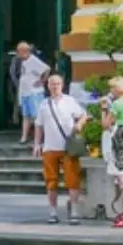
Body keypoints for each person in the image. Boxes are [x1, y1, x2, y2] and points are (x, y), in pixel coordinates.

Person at [33, 73, 88, 226]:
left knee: (72, 180)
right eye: (52, 83)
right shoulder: (44, 104)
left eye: (57, 83)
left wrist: (79, 124)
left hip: (68, 148)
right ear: (48, 86)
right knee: (51, 182)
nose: (55, 86)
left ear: (62, 85)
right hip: (50, 148)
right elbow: (39, 125)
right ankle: (53, 211)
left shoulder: (70, 101)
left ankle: (74, 211)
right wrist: (37, 144)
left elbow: (84, 115)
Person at [101, 102, 123, 229]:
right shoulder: (119, 128)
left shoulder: (118, 130)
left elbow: (105, 124)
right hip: (117, 159)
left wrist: (104, 111)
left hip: (118, 160)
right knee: (122, 186)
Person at [14, 42, 50, 147]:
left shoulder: (33, 60)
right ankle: (24, 137)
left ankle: (38, 139)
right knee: (26, 116)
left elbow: (47, 69)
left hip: (34, 93)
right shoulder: (24, 61)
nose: (17, 54)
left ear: (23, 51)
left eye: (18, 51)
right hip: (25, 93)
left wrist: (42, 81)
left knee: (36, 116)